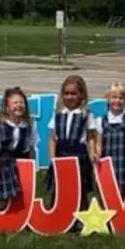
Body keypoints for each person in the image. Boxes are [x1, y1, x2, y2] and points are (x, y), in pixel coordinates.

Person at [45, 74, 92, 209]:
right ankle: (58, 213)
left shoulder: (85, 114)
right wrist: (52, 158)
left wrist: (92, 154)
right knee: (59, 187)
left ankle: (82, 215)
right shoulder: (58, 114)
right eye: (66, 93)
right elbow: (52, 138)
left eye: (73, 93)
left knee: (79, 189)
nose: (69, 97)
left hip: (79, 156)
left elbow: (91, 138)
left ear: (81, 95)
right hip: (61, 154)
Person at [0, 87, 35, 209]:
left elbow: (30, 150)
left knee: (21, 195)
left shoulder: (28, 128)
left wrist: (31, 169)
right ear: (7, 108)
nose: (19, 105)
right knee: (3, 196)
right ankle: (0, 214)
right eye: (15, 103)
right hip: (5, 165)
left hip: (21, 163)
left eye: (21, 102)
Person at [90, 82, 125, 196]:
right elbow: (99, 144)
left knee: (123, 193)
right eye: (114, 97)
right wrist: (97, 156)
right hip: (106, 165)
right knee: (106, 194)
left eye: (121, 98)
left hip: (123, 165)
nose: (117, 101)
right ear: (107, 99)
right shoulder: (100, 121)